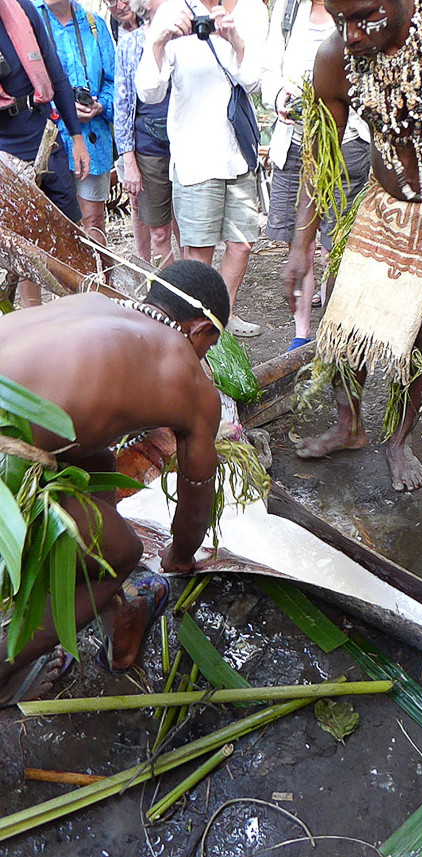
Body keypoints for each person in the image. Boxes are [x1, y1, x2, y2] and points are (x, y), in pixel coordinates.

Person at [0, 260, 229, 705]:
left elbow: (81, 433)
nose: (203, 358)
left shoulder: (91, 303)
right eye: (209, 346)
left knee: (97, 460)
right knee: (122, 554)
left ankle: (80, 592)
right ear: (200, 331)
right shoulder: (193, 382)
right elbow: (196, 501)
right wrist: (180, 556)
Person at [283, 0, 422, 492]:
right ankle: (350, 426)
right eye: (337, 18)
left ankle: (400, 439)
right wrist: (301, 243)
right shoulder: (336, 58)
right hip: (380, 203)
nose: (348, 33)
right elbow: (319, 153)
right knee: (341, 318)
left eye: (361, 16)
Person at [135, 0, 268, 337]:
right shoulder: (172, 9)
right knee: (198, 251)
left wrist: (235, 40)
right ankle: (194, 326)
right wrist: (157, 40)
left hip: (238, 152)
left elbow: (253, 81)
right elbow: (149, 92)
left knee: (241, 244)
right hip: (195, 156)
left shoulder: (251, 9)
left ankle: (222, 318)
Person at [261, 0, 370, 351]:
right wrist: (279, 97)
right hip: (294, 143)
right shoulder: (287, 10)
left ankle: (332, 332)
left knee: (333, 247)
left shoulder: (356, 10)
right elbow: (267, 72)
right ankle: (302, 334)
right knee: (300, 242)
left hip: (347, 143)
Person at [0, 0, 89, 308]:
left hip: (46, 138)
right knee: (25, 249)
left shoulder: (21, 8)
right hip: (6, 153)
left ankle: (79, 314)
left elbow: (57, 74)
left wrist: (77, 137)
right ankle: (36, 322)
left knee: (70, 232)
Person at [35, 0, 115, 246]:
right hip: (47, 143)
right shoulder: (30, 22)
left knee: (93, 222)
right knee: (47, 228)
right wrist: (63, 109)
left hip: (92, 138)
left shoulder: (94, 26)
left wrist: (99, 105)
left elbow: (115, 82)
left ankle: (95, 281)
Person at [114, 0, 176, 265]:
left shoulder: (186, 38)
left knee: (190, 234)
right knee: (160, 232)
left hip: (186, 146)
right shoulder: (130, 44)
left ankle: (192, 293)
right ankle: (174, 294)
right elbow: (122, 105)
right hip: (149, 147)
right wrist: (129, 160)